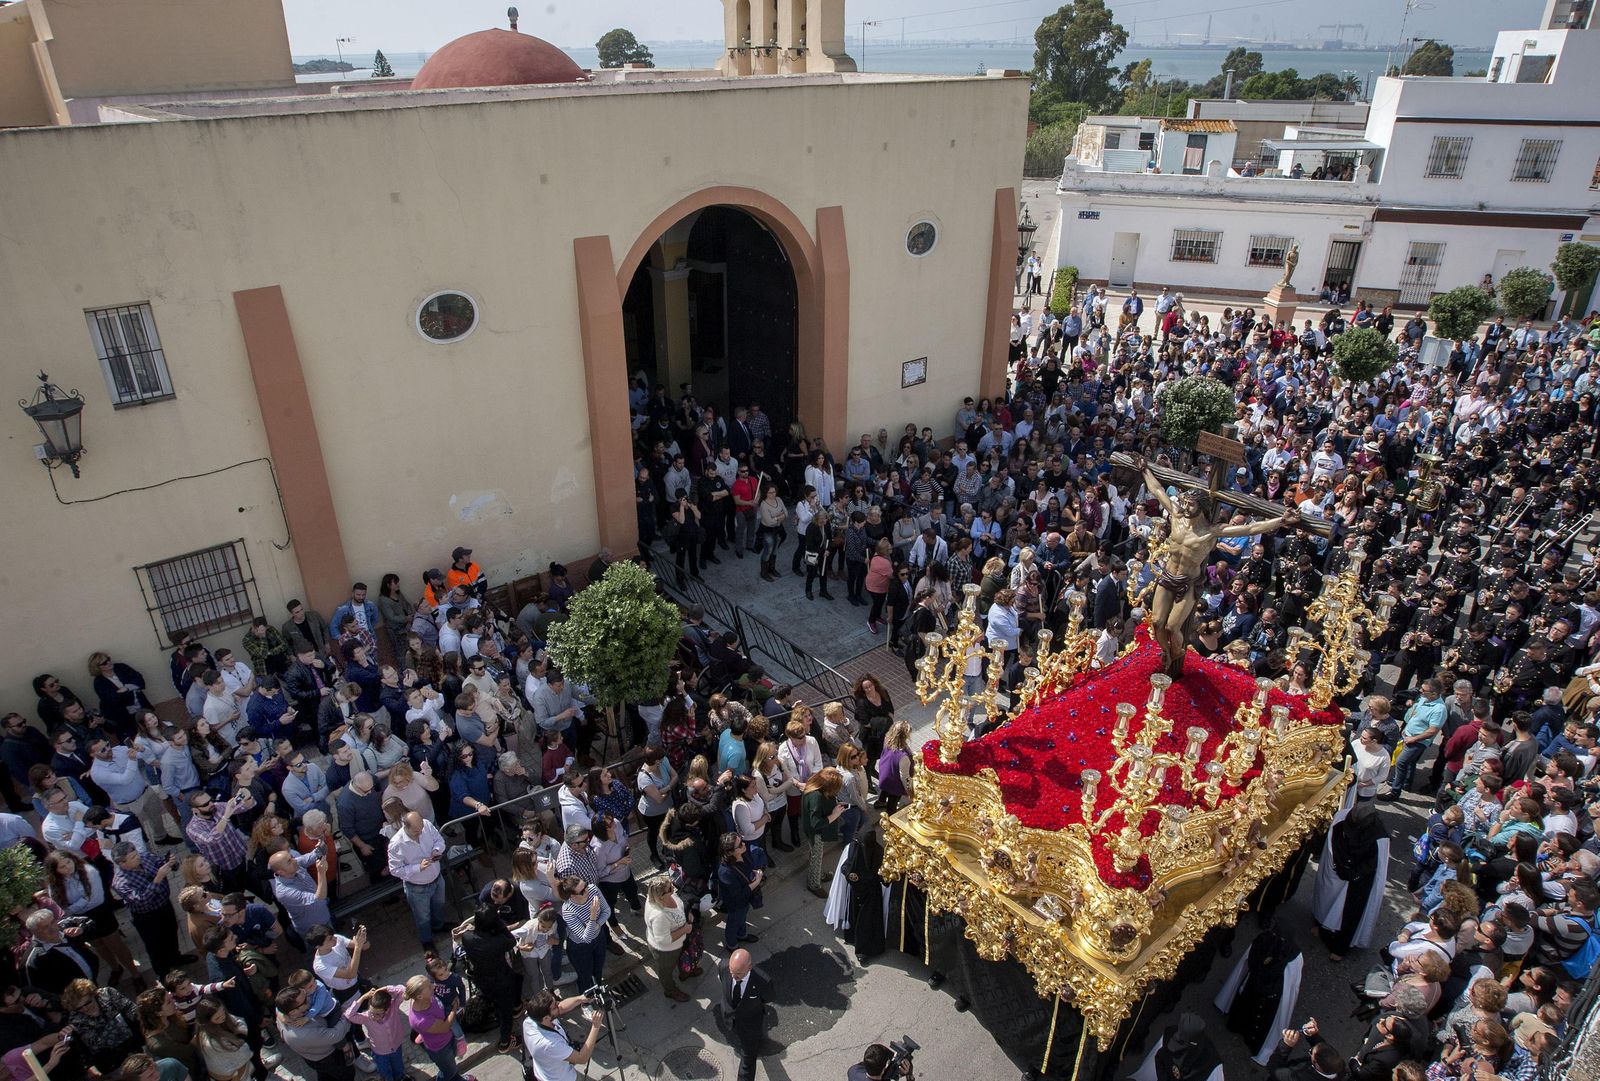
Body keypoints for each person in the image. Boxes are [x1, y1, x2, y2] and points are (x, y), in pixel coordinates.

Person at [386, 811, 450, 950]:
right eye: (416, 831)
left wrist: (436, 850)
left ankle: (438, 927)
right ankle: (427, 942)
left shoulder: (426, 825)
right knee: (423, 917)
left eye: (421, 829)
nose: (420, 833)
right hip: (417, 888)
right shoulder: (396, 844)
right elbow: (395, 870)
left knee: (439, 905)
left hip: (437, 878)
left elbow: (439, 840)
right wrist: (417, 868)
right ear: (406, 827)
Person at [521, 988, 606, 1081]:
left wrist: (581, 998)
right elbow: (582, 1058)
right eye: (555, 1007)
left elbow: (561, 1007)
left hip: (548, 1071)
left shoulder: (530, 1020)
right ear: (546, 1018)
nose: (559, 1004)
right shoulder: (550, 1044)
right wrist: (595, 1026)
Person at [715, 948, 774, 1081]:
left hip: (750, 1025)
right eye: (732, 971)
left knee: (748, 1059)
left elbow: (768, 997)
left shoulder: (762, 982)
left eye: (739, 974)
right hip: (729, 1017)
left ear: (749, 967)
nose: (733, 976)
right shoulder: (724, 966)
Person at [401, 974, 473, 1081]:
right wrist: (454, 1008)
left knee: (447, 1068)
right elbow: (445, 1027)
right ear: (420, 996)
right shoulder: (422, 1020)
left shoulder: (426, 997)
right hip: (441, 1048)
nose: (434, 986)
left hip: (449, 1038)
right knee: (450, 1072)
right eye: (429, 987)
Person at [642, 877, 697, 1003]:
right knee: (666, 970)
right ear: (661, 896)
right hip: (666, 950)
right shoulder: (659, 916)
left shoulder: (661, 896)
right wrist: (685, 929)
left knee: (682, 957)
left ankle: (685, 971)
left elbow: (678, 904)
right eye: (670, 888)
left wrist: (687, 913)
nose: (673, 888)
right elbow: (664, 940)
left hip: (678, 943)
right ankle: (670, 990)